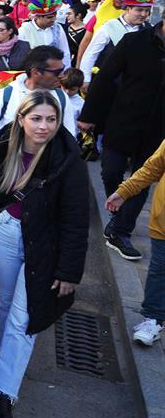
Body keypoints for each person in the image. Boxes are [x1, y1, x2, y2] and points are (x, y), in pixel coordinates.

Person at [0, 91, 89, 417]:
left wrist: (69, 271)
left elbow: (77, 220)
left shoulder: (67, 159)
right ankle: (7, 355)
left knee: (24, 316)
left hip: (44, 245)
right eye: (36, 118)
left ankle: (3, 393)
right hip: (4, 234)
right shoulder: (6, 146)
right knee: (6, 305)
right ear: (22, 119)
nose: (44, 126)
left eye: (51, 119)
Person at [78, 15, 165, 261]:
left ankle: (120, 230)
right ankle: (118, 209)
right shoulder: (134, 41)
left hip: (158, 130)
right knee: (110, 172)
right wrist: (90, 115)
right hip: (123, 120)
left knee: (142, 178)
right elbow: (105, 79)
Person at [0, 46, 75, 177]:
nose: (62, 76)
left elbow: (69, 142)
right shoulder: (5, 96)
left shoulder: (62, 98)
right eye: (57, 71)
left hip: (47, 178)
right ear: (35, 72)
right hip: (7, 176)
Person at [106, 138, 165, 346]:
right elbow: (151, 168)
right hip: (163, 222)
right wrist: (124, 192)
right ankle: (154, 320)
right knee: (159, 270)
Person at [78, 0, 152, 87]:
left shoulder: (149, 29)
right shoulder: (109, 27)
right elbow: (91, 54)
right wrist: (86, 79)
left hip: (135, 84)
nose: (144, 14)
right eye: (139, 10)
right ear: (127, 9)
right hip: (109, 83)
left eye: (147, 11)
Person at [17, 0, 71, 68]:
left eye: (54, 17)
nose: (53, 20)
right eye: (49, 17)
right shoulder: (25, 30)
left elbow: (65, 52)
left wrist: (65, 72)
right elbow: (20, 55)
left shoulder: (58, 28)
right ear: (38, 16)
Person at [58, 68, 84, 133]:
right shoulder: (55, 95)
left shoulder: (81, 103)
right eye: (64, 87)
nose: (67, 92)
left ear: (79, 87)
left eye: (72, 89)